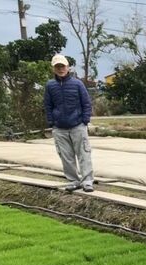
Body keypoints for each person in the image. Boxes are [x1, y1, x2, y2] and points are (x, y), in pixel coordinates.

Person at [44, 54, 94, 192]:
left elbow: (86, 103)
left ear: (68, 67)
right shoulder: (50, 85)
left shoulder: (77, 84)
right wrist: (51, 122)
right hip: (59, 127)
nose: (61, 69)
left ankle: (87, 181)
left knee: (83, 153)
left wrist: (85, 120)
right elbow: (48, 105)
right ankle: (73, 180)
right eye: (57, 66)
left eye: (63, 66)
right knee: (66, 156)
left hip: (78, 125)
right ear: (53, 68)